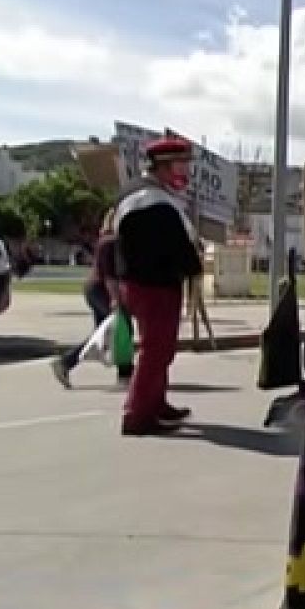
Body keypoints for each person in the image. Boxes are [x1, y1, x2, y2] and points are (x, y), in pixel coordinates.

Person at [113, 137, 203, 436]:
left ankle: (156, 403)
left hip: (140, 282)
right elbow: (173, 245)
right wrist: (193, 266)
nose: (185, 172)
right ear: (162, 166)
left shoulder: (137, 193)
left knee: (159, 349)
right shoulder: (153, 202)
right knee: (156, 351)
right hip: (155, 286)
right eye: (180, 165)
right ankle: (137, 415)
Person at [50, 207, 133, 389]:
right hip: (101, 289)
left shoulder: (108, 240)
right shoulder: (111, 242)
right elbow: (110, 275)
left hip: (95, 289)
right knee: (122, 327)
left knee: (102, 333)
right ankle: (125, 374)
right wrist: (115, 299)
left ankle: (65, 363)